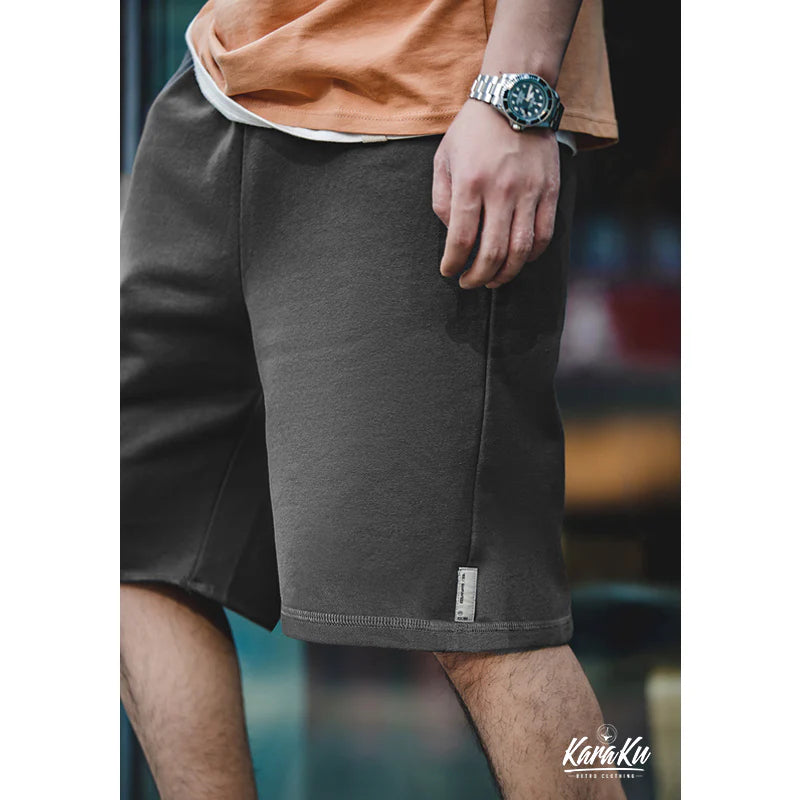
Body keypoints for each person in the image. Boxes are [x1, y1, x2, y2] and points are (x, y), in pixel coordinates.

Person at [120, 0, 624, 797]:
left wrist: (515, 93)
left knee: (479, 620)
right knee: (134, 549)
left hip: (427, 104)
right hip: (219, 78)